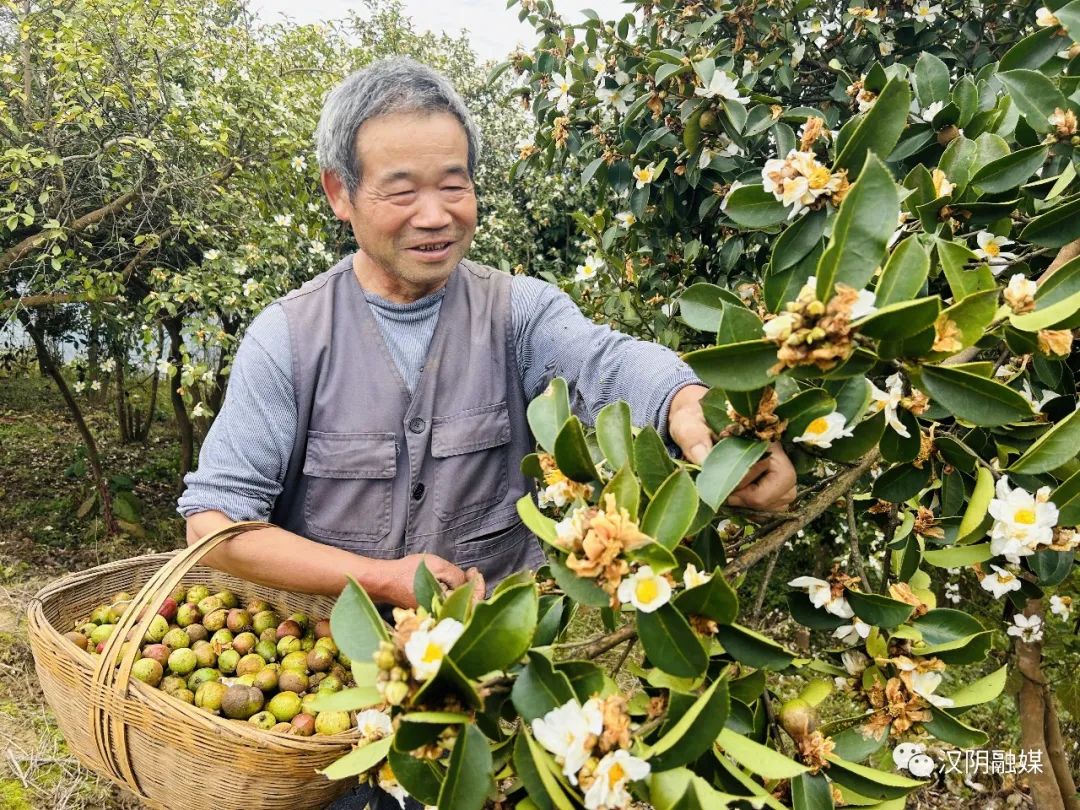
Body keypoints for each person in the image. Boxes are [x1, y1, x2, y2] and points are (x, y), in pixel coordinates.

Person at [178, 56, 796, 611]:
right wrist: (376, 578)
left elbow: (605, 362)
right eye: (401, 190)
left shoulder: (517, 312)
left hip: (492, 677)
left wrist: (689, 410)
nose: (435, 215)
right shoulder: (288, 338)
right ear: (340, 193)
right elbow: (214, 526)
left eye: (453, 186)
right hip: (328, 685)